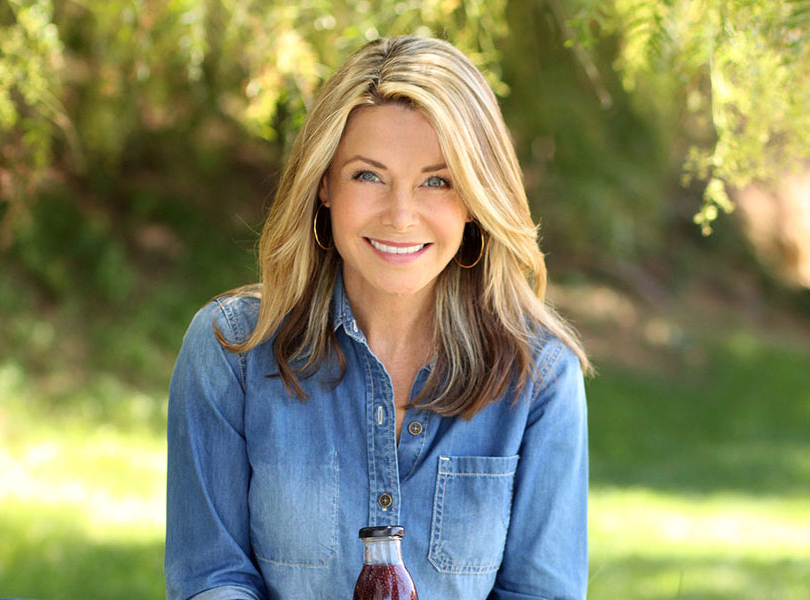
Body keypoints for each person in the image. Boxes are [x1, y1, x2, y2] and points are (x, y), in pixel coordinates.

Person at [165, 35, 590, 600]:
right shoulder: (231, 351)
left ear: (475, 199)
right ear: (324, 182)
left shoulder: (539, 375)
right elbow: (211, 580)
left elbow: (542, 592)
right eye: (368, 175)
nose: (401, 215)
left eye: (437, 181)